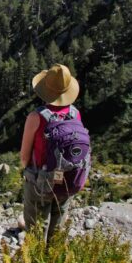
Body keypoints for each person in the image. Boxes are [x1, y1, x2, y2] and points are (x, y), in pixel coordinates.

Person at [20, 64, 86, 241]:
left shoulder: (37, 117)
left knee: (35, 228)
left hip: (40, 179)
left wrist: (26, 172)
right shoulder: (75, 114)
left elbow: (24, 156)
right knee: (57, 228)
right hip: (67, 179)